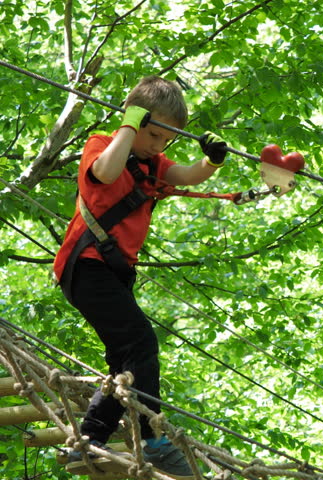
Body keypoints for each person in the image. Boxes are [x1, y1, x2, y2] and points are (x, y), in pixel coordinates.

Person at [53, 76, 227, 478]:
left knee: (125, 360)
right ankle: (154, 441)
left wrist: (212, 161)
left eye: (166, 140)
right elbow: (106, 173)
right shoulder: (102, 146)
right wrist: (129, 126)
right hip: (86, 266)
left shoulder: (152, 162)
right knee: (142, 343)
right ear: (133, 120)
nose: (158, 146)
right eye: (153, 135)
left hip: (113, 273)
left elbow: (186, 175)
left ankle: (90, 439)